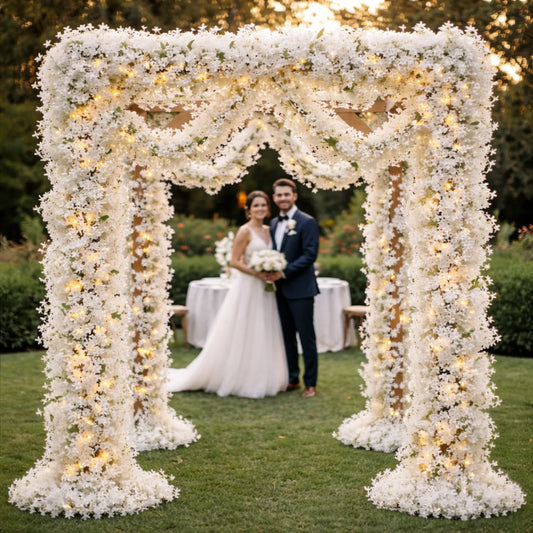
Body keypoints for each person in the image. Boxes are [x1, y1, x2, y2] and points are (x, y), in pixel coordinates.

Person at [166, 191, 288, 398]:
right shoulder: (245, 230)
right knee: (245, 328)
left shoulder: (271, 230)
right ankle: (237, 377)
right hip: (249, 286)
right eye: (256, 206)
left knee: (264, 327)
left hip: (266, 289)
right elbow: (234, 261)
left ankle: (264, 375)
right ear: (248, 210)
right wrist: (258, 273)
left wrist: (273, 270)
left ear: (268, 208)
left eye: (263, 205)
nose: (260, 209)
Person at [267, 179, 320, 397]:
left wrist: (284, 272)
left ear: (295, 196)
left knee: (306, 338)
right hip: (279, 290)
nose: (283, 198)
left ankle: (310, 383)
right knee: (287, 337)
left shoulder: (307, 222)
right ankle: (292, 378)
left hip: (302, 290)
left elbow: (310, 255)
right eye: (279, 195)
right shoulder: (272, 223)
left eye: (287, 194)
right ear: (274, 198)